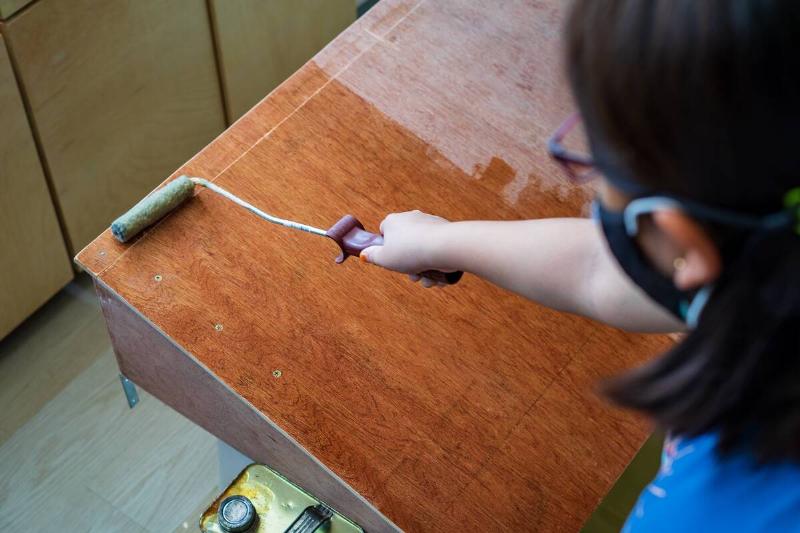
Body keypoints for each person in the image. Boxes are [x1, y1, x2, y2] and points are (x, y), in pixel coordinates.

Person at [360, 0, 800, 530]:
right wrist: (442, 242)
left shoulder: (708, 513)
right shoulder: (772, 259)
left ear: (684, 244)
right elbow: (600, 269)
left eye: (593, 163)